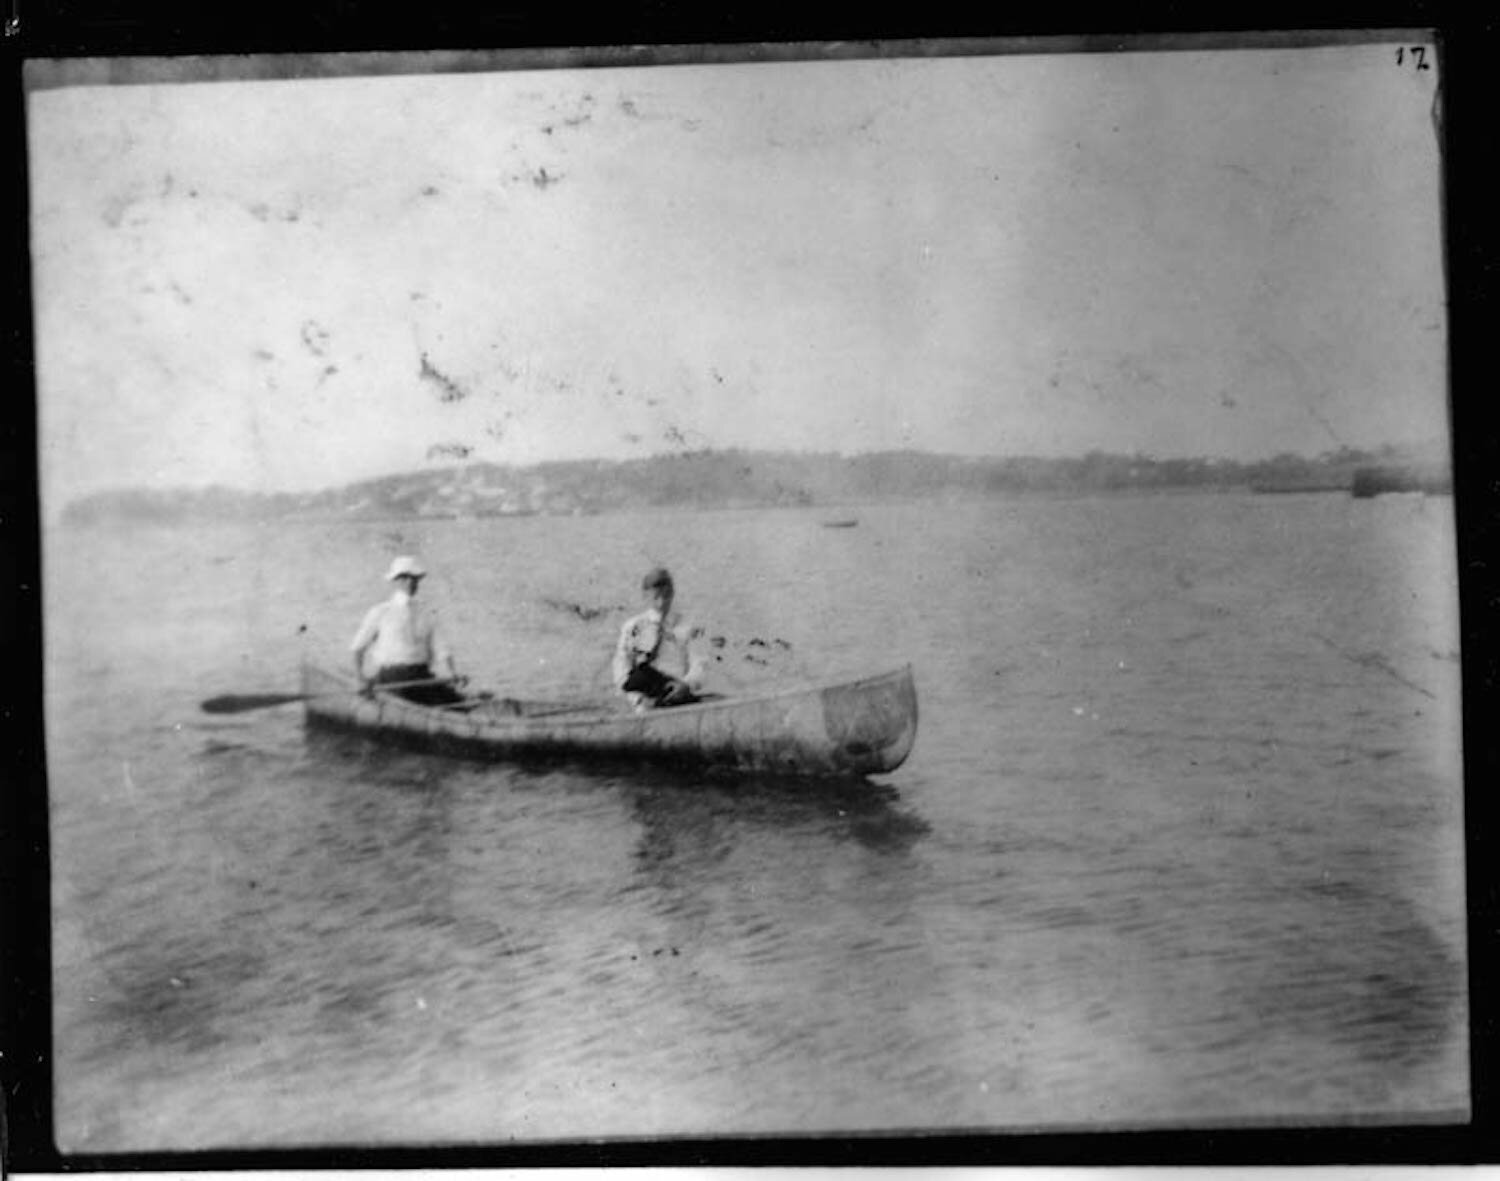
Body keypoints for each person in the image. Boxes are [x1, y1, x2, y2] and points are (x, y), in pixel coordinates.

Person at [351, 556, 468, 705]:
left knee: (458, 704)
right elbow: (357, 649)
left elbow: (442, 649)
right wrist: (359, 679)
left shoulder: (427, 613)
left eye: (414, 578)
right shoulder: (380, 612)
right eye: (404, 577)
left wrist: (452, 673)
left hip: (421, 677)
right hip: (391, 679)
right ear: (395, 580)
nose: (410, 582)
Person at [613, 566, 705, 710]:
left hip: (678, 693)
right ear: (645, 596)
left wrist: (686, 685)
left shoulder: (687, 627)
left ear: (673, 593)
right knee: (640, 673)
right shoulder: (633, 627)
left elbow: (699, 664)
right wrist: (638, 700)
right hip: (644, 699)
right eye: (656, 597)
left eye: (666, 596)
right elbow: (621, 670)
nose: (661, 603)